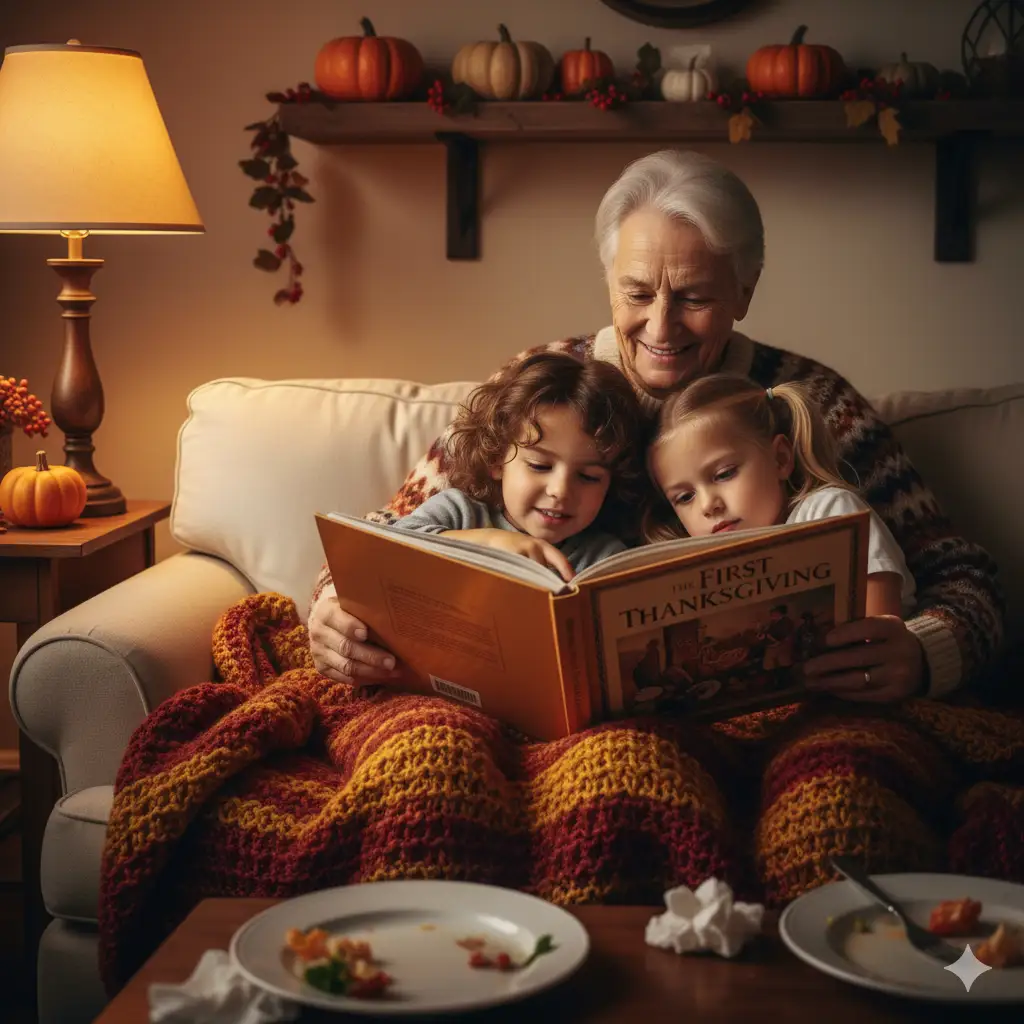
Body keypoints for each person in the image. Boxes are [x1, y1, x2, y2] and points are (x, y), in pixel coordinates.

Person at [305, 149, 1006, 901]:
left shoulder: (813, 401)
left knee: (839, 806)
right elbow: (384, 537)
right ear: (608, 283)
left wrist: (921, 651)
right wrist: (331, 613)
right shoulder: (544, 383)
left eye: (695, 296)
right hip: (536, 720)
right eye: (636, 292)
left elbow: (966, 582)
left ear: (745, 289)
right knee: (434, 779)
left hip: (779, 716)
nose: (661, 325)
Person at [646, 373, 917, 648]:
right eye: (684, 497)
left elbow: (880, 640)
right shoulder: (708, 572)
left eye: (724, 474)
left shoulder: (829, 511)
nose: (707, 505)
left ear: (780, 459)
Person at [392, 352, 649, 580]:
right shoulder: (458, 512)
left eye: (588, 476)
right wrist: (489, 543)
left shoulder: (604, 557)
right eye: (540, 466)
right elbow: (390, 546)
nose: (560, 491)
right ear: (496, 459)